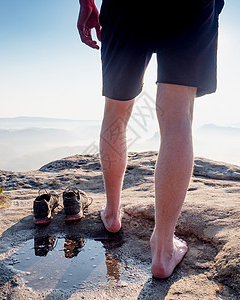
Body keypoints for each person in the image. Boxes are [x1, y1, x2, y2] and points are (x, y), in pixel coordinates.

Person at [77, 0, 224, 279]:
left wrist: (86, 4)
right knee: (177, 115)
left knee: (116, 112)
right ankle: (163, 249)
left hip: (125, 7)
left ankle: (111, 214)